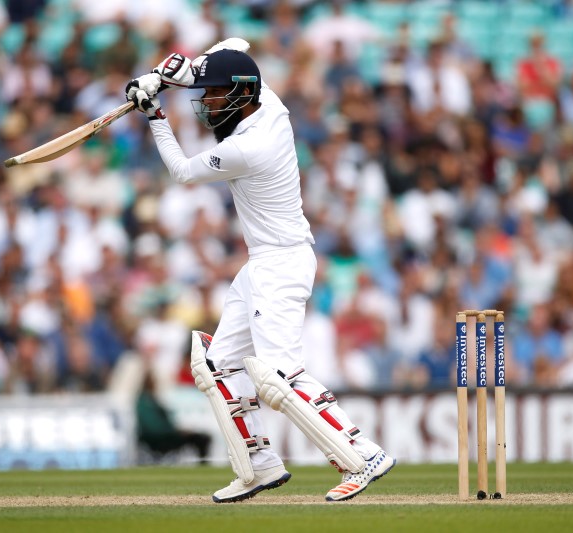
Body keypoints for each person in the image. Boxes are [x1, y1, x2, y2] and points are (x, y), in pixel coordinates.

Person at [125, 39, 395, 503]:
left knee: (277, 375)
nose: (206, 103)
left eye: (214, 96)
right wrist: (170, 75)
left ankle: (362, 454)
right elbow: (233, 48)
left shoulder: (248, 146)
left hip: (282, 264)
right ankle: (259, 466)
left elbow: (183, 173)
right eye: (206, 93)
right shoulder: (268, 101)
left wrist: (155, 114)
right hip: (264, 262)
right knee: (216, 364)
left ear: (240, 95)